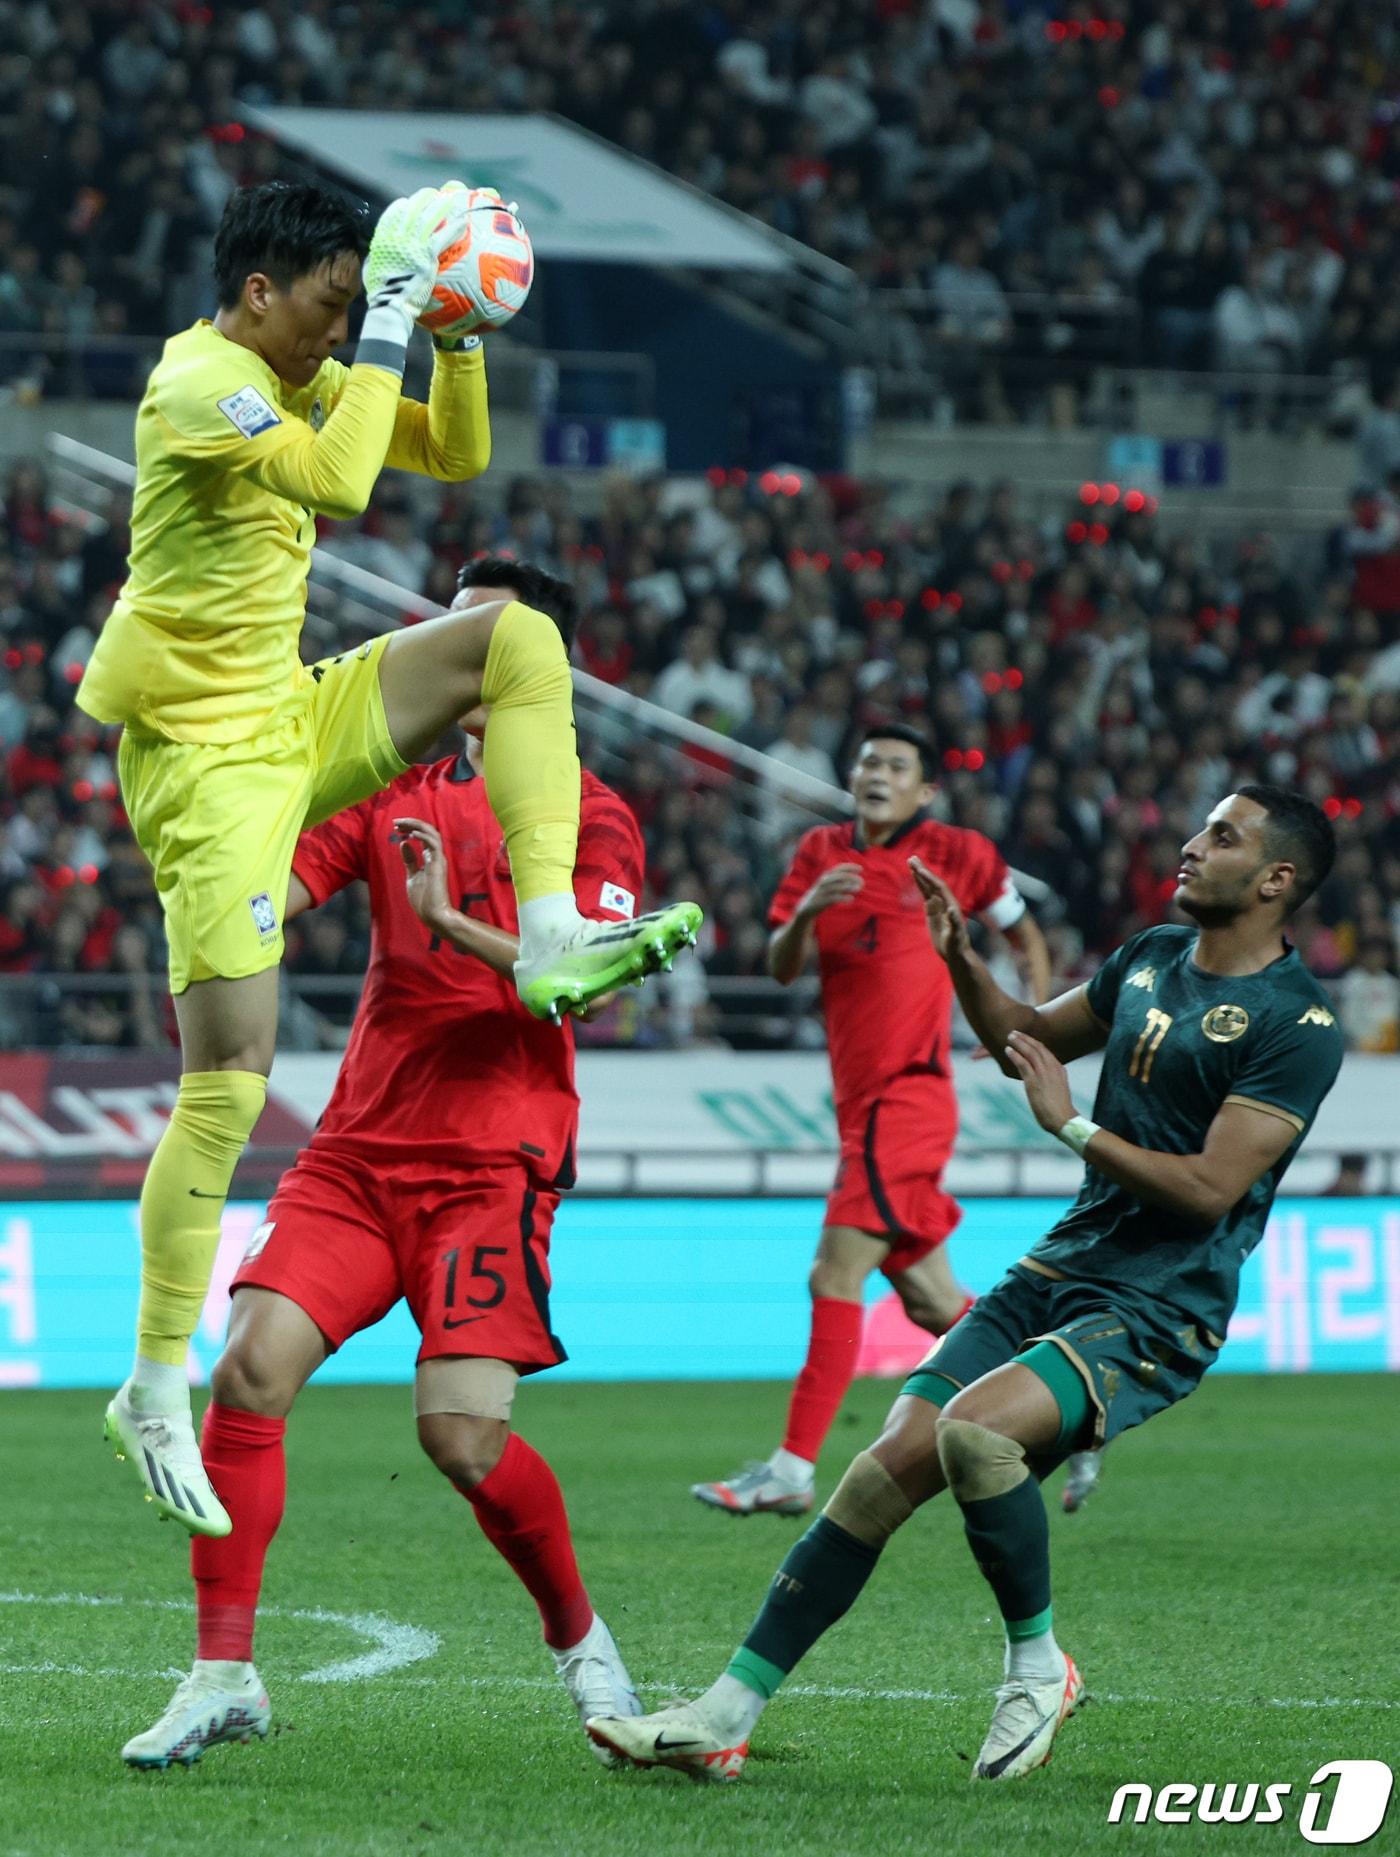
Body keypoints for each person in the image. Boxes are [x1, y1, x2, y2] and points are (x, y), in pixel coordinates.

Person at [80, 180, 699, 1534]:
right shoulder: (200, 380)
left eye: (358, 307)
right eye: (331, 304)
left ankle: (546, 922)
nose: (343, 327)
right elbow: (347, 478)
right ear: (259, 293)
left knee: (517, 643)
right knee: (231, 1075)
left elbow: (452, 457)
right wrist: (394, 323)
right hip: (205, 759)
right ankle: (150, 1375)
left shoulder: (294, 368)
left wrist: (455, 334)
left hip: (291, 708)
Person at [595, 786, 1343, 1782]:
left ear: (1275, 878)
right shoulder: (1146, 957)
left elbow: (1209, 1191)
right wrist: (958, 958)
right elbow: (1019, 1039)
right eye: (1201, 827)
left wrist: (1070, 1125)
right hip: (1064, 1261)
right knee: (875, 1472)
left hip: (1161, 1299)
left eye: (1221, 836)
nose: (1190, 844)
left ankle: (1037, 1668)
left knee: (974, 1434)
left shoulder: (1298, 1024)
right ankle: (722, 1714)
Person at [121, 561, 650, 1769]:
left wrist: (454, 918)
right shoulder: (389, 786)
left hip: (489, 1158)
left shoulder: (590, 810)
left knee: (460, 1441)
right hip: (357, 1151)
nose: (447, 640)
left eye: (479, 625)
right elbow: (277, 886)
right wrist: (204, 835)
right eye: (449, 618)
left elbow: (580, 981)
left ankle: (584, 1649)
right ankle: (220, 1674)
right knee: (248, 1370)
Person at [692, 725, 1051, 1517]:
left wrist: (1033, 1026)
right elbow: (784, 968)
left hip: (909, 1098)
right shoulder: (819, 852)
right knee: (932, 1303)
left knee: (834, 1274)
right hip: (863, 1111)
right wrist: (805, 915)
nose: (875, 774)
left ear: (925, 790)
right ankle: (1064, 1392)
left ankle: (790, 1468)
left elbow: (1022, 931)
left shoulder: (957, 852)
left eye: (895, 766)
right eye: (866, 761)